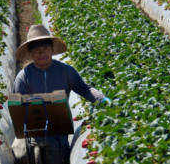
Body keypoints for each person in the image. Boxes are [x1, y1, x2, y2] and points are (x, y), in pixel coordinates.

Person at [11, 25, 110, 164]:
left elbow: (84, 89)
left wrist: (102, 99)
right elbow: (16, 105)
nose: (42, 53)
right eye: (37, 50)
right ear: (31, 53)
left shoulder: (65, 71)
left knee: (58, 154)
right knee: (23, 155)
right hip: (32, 135)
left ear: (52, 49)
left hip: (58, 132)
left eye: (45, 48)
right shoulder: (24, 77)